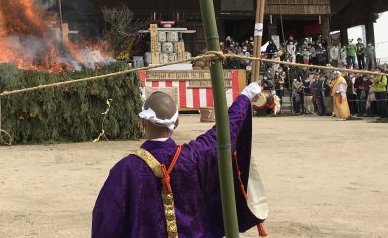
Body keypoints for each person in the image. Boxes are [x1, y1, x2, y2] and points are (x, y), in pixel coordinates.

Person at [92, 86, 268, 237]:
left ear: (143, 122)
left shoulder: (125, 169)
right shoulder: (194, 156)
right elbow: (224, 131)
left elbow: (107, 219)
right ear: (176, 122)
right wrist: (245, 95)